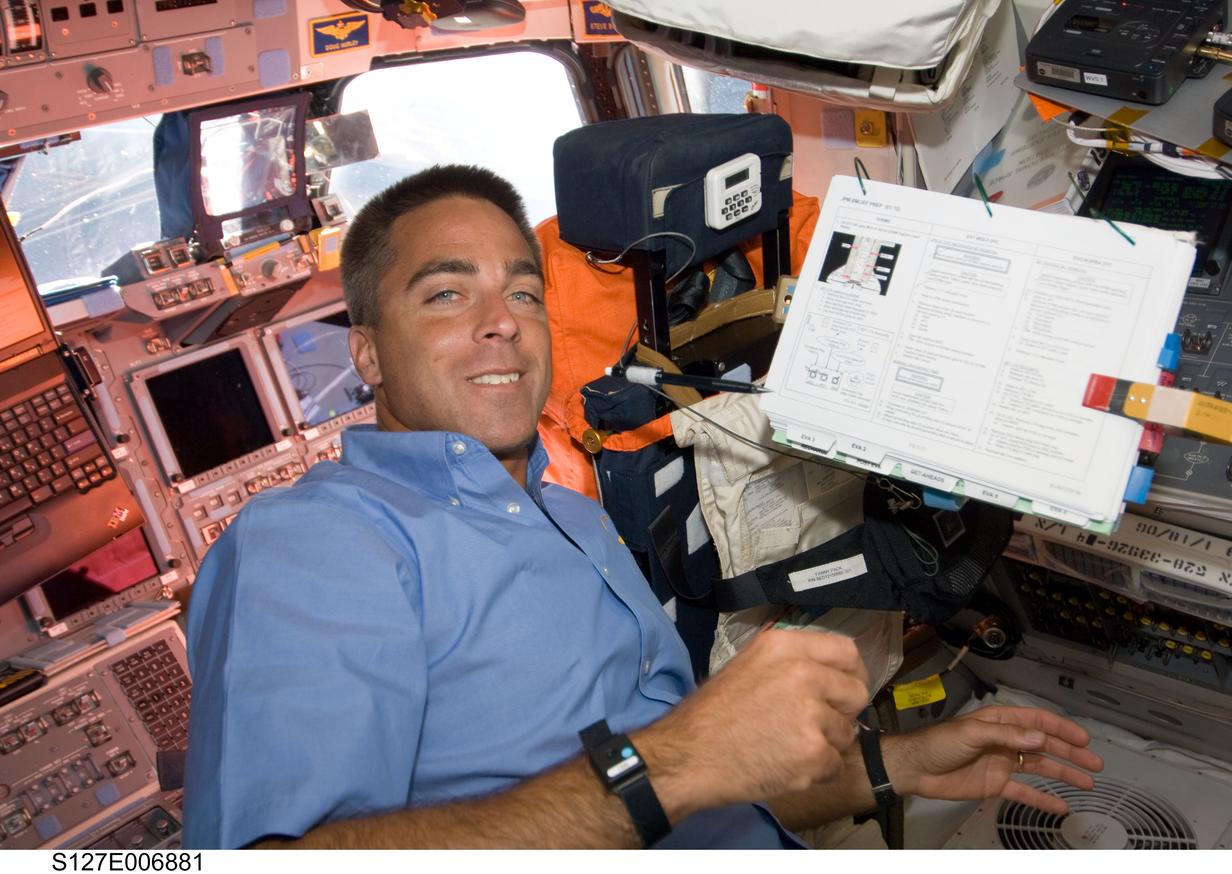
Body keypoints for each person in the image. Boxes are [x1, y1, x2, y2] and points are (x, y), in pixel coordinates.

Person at [182, 164, 1103, 849]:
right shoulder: (316, 542)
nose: (502, 319)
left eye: (524, 289)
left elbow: (657, 805)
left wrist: (888, 766)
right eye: (447, 293)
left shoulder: (569, 515)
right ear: (369, 353)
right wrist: (679, 755)